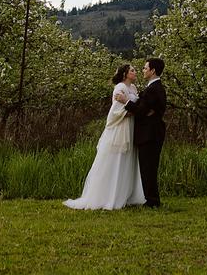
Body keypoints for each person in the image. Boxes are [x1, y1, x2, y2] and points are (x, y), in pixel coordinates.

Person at [63, 64, 147, 210]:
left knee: (128, 159)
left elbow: (134, 106)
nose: (136, 72)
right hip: (121, 128)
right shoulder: (119, 88)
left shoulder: (133, 89)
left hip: (132, 126)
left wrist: (135, 109)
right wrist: (135, 111)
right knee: (117, 159)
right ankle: (110, 196)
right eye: (132, 70)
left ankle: (126, 194)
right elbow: (116, 112)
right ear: (125, 74)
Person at [124, 57, 167, 208]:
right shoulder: (153, 88)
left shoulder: (153, 89)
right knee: (148, 167)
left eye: (145, 68)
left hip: (150, 134)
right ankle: (151, 199)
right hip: (152, 133)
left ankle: (152, 201)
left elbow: (141, 111)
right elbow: (144, 108)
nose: (143, 70)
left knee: (148, 167)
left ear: (153, 70)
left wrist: (126, 102)